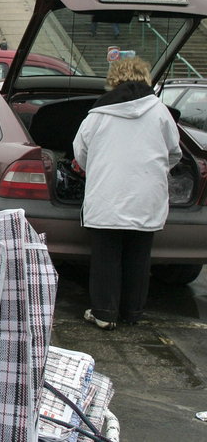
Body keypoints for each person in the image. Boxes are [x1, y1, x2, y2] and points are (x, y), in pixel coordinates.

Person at [72, 57, 181, 330]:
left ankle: (104, 314)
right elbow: (174, 152)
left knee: (106, 256)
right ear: (145, 77)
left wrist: (96, 168)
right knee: (139, 256)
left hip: (107, 194)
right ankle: (132, 313)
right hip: (146, 196)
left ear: (113, 79)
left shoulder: (97, 114)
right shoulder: (160, 112)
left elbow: (80, 152)